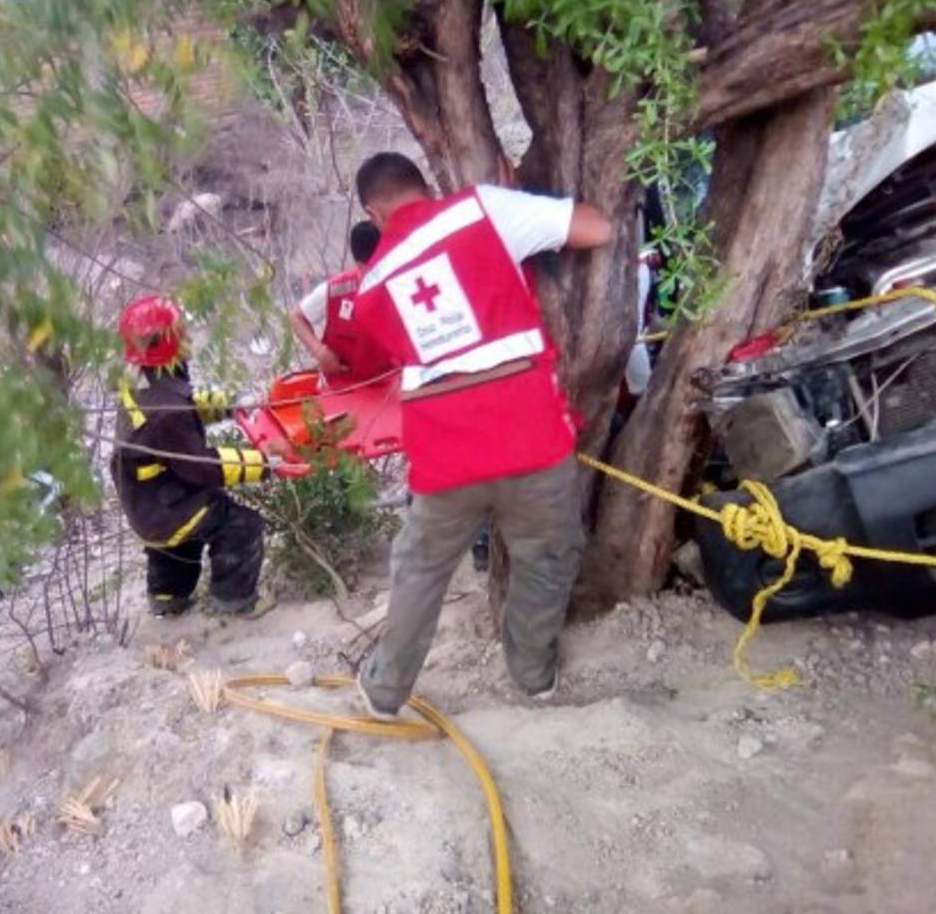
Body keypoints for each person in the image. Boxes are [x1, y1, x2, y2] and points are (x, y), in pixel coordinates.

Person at [345, 152, 613, 718]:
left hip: (445, 458)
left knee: (420, 569)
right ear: (423, 182)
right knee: (547, 557)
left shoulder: (370, 288)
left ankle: (385, 691)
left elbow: (372, 361)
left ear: (373, 211)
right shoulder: (481, 210)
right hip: (530, 437)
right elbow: (597, 228)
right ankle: (533, 676)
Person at [110, 295, 273, 618]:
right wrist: (264, 462)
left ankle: (168, 597)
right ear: (170, 341)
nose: (188, 336)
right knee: (238, 524)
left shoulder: (140, 386)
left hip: (145, 503)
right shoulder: (167, 410)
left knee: (174, 545)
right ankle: (234, 602)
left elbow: (186, 408)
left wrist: (233, 404)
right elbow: (203, 467)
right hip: (167, 504)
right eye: (181, 331)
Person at [288, 220, 381, 380]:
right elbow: (296, 317)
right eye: (369, 270)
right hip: (343, 388)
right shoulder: (335, 290)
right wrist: (319, 351)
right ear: (358, 264)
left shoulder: (399, 284)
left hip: (391, 384)